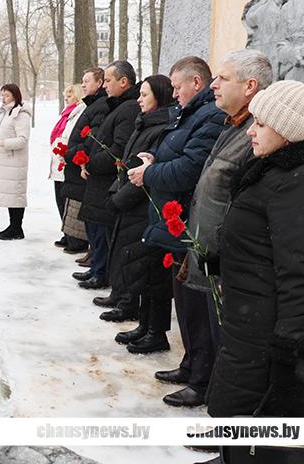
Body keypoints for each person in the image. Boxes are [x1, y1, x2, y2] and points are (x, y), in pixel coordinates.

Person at [207, 80, 304, 419]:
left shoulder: (302, 182)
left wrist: (290, 350)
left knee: (261, 421)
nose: (250, 132)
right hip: (249, 323)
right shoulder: (276, 171)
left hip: (267, 332)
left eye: (260, 124)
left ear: (289, 130)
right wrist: (219, 260)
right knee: (239, 415)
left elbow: (303, 273)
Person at [127, 57, 226, 395]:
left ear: (195, 83)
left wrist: (150, 173)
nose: (174, 93)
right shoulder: (193, 113)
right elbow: (178, 155)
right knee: (184, 303)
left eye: (177, 86)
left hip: (190, 224)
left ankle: (201, 375)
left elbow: (190, 168)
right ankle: (191, 364)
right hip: (177, 222)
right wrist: (155, 161)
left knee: (196, 306)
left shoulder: (210, 116)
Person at [172, 50, 273, 382]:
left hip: (227, 261)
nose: (213, 84)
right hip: (207, 249)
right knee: (203, 325)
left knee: (225, 342)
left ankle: (212, 392)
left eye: (223, 78)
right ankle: (202, 380)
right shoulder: (232, 125)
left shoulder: (258, 135)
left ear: (250, 87)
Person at [106, 75, 175, 343]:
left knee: (150, 271)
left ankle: (154, 330)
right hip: (132, 205)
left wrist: (120, 199)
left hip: (143, 206)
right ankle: (144, 325)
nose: (139, 99)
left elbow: (145, 172)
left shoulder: (160, 127)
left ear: (160, 96)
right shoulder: (145, 123)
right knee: (141, 269)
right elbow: (128, 162)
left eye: (144, 95)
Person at [73, 61, 141, 293]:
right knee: (96, 229)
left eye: (109, 81)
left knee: (103, 230)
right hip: (97, 177)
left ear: (124, 82)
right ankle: (97, 268)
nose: (105, 86)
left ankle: (102, 272)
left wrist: (90, 163)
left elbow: (118, 149)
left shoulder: (128, 108)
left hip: (105, 179)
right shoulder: (116, 105)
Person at [60, 68, 107, 260]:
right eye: (83, 81)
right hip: (75, 162)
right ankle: (92, 253)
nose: (84, 85)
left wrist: (72, 153)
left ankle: (92, 253)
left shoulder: (100, 105)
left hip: (83, 164)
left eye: (87, 81)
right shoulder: (92, 104)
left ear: (100, 83)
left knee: (87, 214)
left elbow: (91, 138)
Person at [0, 84, 32, 240]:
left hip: (15, 161)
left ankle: (17, 228)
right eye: (2, 95)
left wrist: (2, 143)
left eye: (6, 95)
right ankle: (13, 226)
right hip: (6, 159)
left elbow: (23, 140)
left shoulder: (20, 114)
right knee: (10, 195)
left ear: (15, 95)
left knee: (16, 195)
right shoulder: (5, 112)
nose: (3, 98)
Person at [49, 84, 85, 249]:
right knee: (60, 199)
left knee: (67, 201)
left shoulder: (78, 112)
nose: (66, 98)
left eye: (69, 96)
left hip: (67, 162)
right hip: (58, 162)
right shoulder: (66, 114)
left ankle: (74, 237)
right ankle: (66, 233)